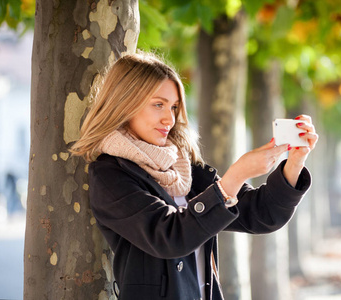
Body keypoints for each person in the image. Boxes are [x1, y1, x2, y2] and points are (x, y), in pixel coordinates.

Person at [70, 52, 318, 300]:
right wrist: (236, 175)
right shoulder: (109, 173)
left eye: (174, 106)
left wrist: (294, 162)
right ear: (125, 103)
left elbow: (262, 215)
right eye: (158, 104)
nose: (169, 118)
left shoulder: (183, 166)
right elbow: (168, 236)